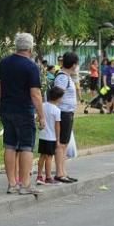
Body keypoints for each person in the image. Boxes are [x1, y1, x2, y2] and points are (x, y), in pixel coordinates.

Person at [0, 33, 46, 195]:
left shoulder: (4, 63)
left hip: (6, 108)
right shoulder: (31, 66)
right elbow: (35, 93)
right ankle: (25, 184)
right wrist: (41, 115)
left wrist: (2, 101)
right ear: (30, 48)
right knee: (26, 146)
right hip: (24, 110)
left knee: (9, 145)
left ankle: (12, 184)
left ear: (16, 46)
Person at [53, 51, 80, 183]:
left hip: (67, 113)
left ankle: (63, 172)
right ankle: (59, 173)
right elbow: (57, 95)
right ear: (74, 65)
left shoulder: (67, 76)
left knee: (64, 144)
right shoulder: (63, 77)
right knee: (61, 144)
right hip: (63, 113)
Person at [35, 86, 63, 185]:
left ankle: (39, 176)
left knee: (42, 156)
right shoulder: (57, 110)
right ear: (59, 98)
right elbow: (57, 126)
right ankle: (48, 177)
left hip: (42, 136)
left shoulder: (42, 105)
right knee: (49, 157)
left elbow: (38, 119)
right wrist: (58, 140)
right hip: (51, 137)